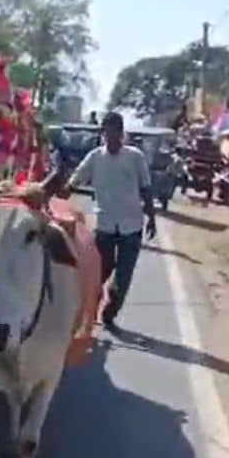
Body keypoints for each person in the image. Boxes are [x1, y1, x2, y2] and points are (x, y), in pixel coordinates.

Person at [60, 111, 157, 327]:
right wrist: (62, 191)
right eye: (106, 131)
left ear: (121, 133)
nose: (110, 136)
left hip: (131, 225)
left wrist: (152, 217)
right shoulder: (95, 157)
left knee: (122, 280)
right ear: (102, 133)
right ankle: (89, 309)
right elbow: (76, 179)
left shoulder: (135, 157)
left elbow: (146, 188)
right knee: (98, 273)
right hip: (104, 224)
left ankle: (109, 313)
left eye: (115, 131)